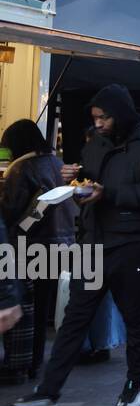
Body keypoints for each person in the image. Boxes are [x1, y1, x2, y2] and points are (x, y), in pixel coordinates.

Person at [6, 85, 140, 406]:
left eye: (104, 118)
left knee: (136, 319)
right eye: (95, 118)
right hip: (93, 242)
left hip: (131, 243)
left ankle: (134, 386)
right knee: (74, 319)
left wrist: (105, 192)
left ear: (122, 114)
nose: (98, 124)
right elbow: (91, 180)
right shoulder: (96, 144)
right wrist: (75, 178)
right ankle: (48, 394)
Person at [0, 120, 74, 385]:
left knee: (22, 306)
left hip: (29, 245)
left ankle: (19, 364)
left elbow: (9, 211)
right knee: (42, 309)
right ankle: (35, 364)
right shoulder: (57, 164)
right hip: (61, 243)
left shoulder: (20, 169)